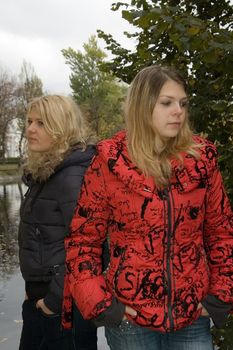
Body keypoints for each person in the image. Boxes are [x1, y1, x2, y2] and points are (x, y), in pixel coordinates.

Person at [62, 66, 233, 350]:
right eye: (166, 103)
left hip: (192, 318)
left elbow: (222, 233)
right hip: (129, 320)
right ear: (142, 106)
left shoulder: (201, 160)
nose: (178, 111)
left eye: (182, 103)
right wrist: (102, 305)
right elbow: (83, 242)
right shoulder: (109, 162)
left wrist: (220, 295)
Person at [18, 95, 98, 350]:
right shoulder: (48, 172)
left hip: (63, 308)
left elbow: (88, 248)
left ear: (62, 128)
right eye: (29, 121)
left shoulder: (71, 177)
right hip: (45, 301)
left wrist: (53, 299)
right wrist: (35, 290)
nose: (30, 129)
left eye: (41, 123)